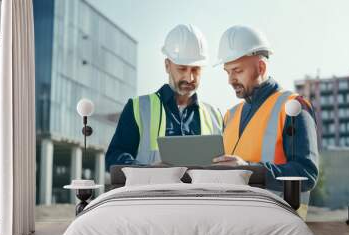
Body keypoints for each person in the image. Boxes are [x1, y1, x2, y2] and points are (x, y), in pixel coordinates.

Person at [213, 25, 319, 193]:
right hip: (235, 216)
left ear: (261, 68)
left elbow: (306, 174)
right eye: (227, 72)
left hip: (277, 216)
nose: (231, 80)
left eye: (237, 71)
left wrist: (249, 170)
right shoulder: (230, 116)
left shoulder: (293, 107)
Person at [106, 24, 222, 170]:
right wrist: (147, 170)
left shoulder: (215, 116)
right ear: (167, 65)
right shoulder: (138, 108)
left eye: (195, 69)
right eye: (182, 68)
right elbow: (114, 158)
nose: (189, 77)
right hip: (153, 192)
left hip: (200, 193)